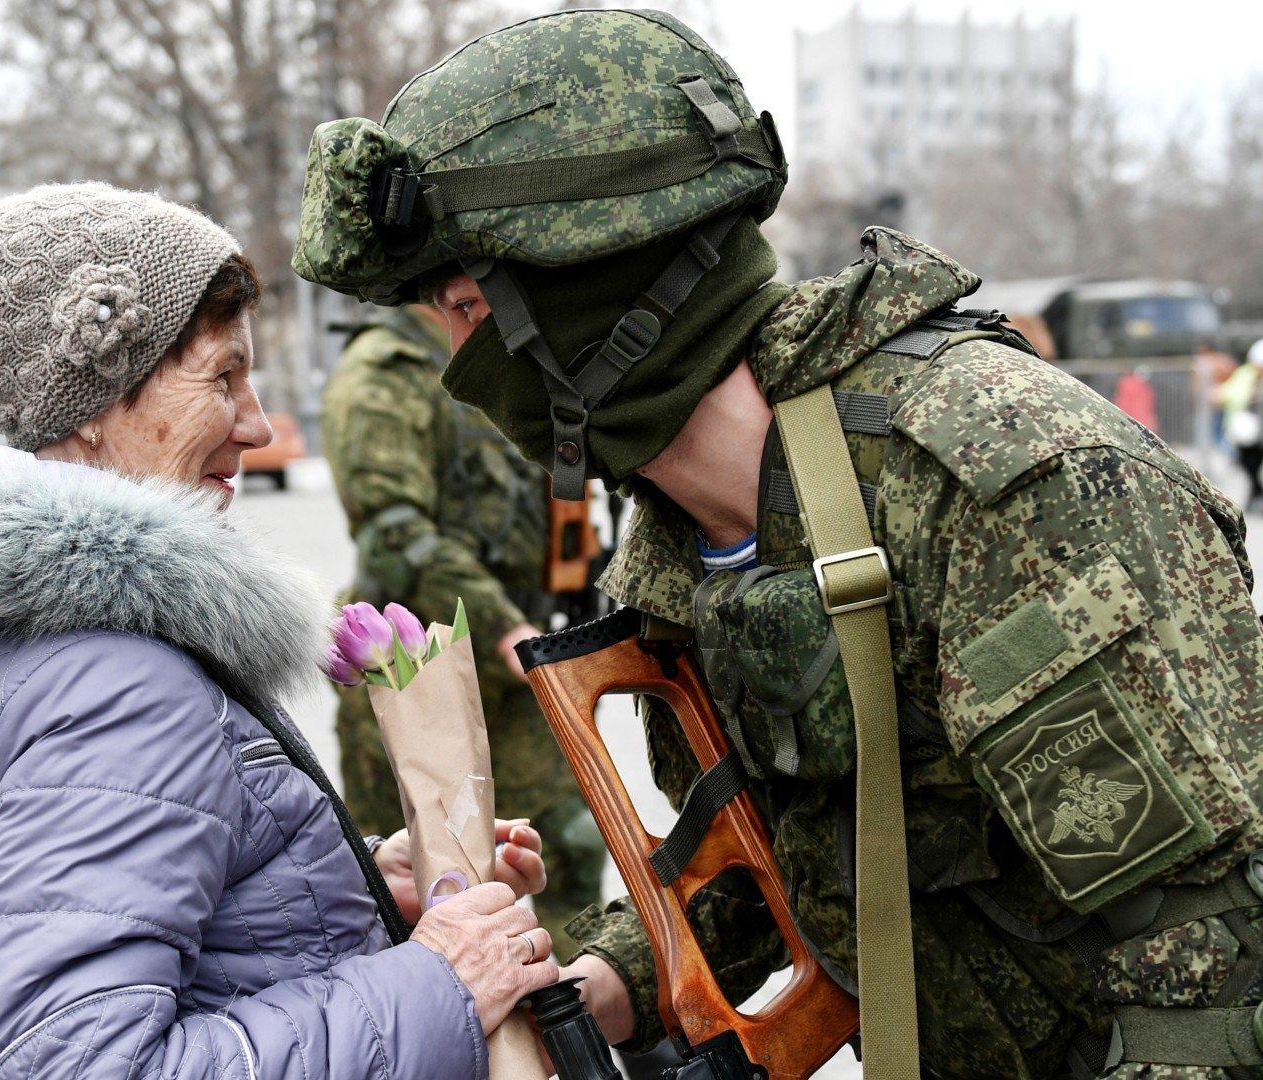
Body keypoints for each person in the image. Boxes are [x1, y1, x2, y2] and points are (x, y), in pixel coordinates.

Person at [292, 10, 1263, 1078]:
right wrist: (613, 982)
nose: (455, 371)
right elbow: (785, 858)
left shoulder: (996, 484)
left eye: (468, 312)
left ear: (594, 302)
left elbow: (1206, 963)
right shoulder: (671, 549)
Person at [0, 183, 560, 1080]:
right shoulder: (112, 688)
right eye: (223, 376)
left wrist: (362, 886)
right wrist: (440, 982)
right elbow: (75, 1066)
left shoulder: (38, 636)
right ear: (97, 411)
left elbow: (172, 913)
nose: (258, 425)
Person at [321, 303, 607, 944]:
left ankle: (586, 1020)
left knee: (566, 848)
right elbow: (394, 533)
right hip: (419, 681)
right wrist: (502, 626)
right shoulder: (385, 372)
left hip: (521, 667)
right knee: (416, 892)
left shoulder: (512, 355)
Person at [1219, 341, 1263, 509]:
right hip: (1251, 435)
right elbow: (1232, 394)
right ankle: (1256, 493)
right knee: (1248, 464)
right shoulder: (1247, 375)